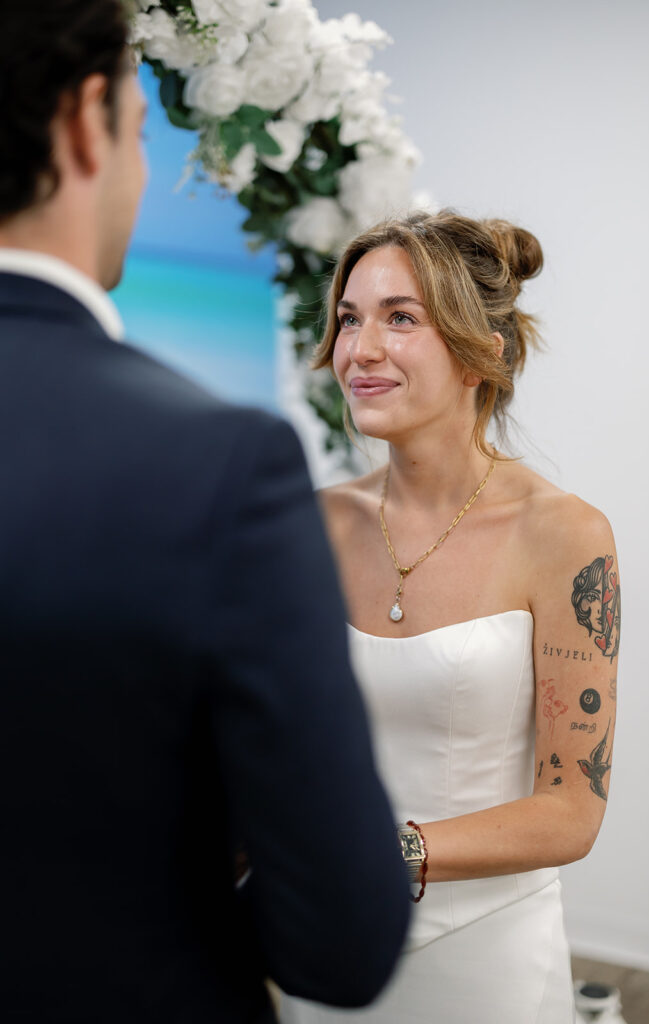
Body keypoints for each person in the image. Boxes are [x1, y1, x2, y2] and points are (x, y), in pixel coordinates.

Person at [0, 2, 411, 1021]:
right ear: (91, 119)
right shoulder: (217, 466)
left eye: (397, 317)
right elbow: (342, 941)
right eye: (144, 133)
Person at [280, 211, 619, 1023]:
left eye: (400, 318)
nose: (358, 350)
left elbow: (571, 811)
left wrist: (386, 852)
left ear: (481, 355)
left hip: (482, 952)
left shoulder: (564, 536)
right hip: (325, 936)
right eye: (349, 318)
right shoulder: (315, 523)